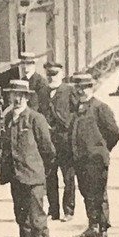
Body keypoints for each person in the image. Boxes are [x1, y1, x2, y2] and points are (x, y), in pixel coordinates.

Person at [0, 79, 56, 237]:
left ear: (27, 98)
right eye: (14, 95)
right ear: (9, 97)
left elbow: (48, 150)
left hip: (33, 178)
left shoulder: (35, 119)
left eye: (21, 96)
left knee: (37, 218)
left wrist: (40, 172)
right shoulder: (7, 120)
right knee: (21, 217)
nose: (17, 99)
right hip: (16, 177)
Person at [70, 73, 119, 237]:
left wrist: (102, 149)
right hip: (81, 159)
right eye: (79, 88)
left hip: (96, 159)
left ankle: (103, 229)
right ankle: (92, 226)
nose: (82, 91)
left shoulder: (101, 108)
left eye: (85, 87)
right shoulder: (78, 108)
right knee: (86, 193)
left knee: (99, 194)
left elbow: (113, 132)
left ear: (92, 87)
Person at [45, 65, 78, 221]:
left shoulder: (69, 91)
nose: (52, 77)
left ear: (62, 74)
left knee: (68, 177)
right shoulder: (44, 92)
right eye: (49, 74)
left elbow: (77, 112)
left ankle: (68, 210)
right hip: (49, 141)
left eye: (55, 74)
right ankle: (53, 210)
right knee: (50, 177)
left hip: (65, 140)